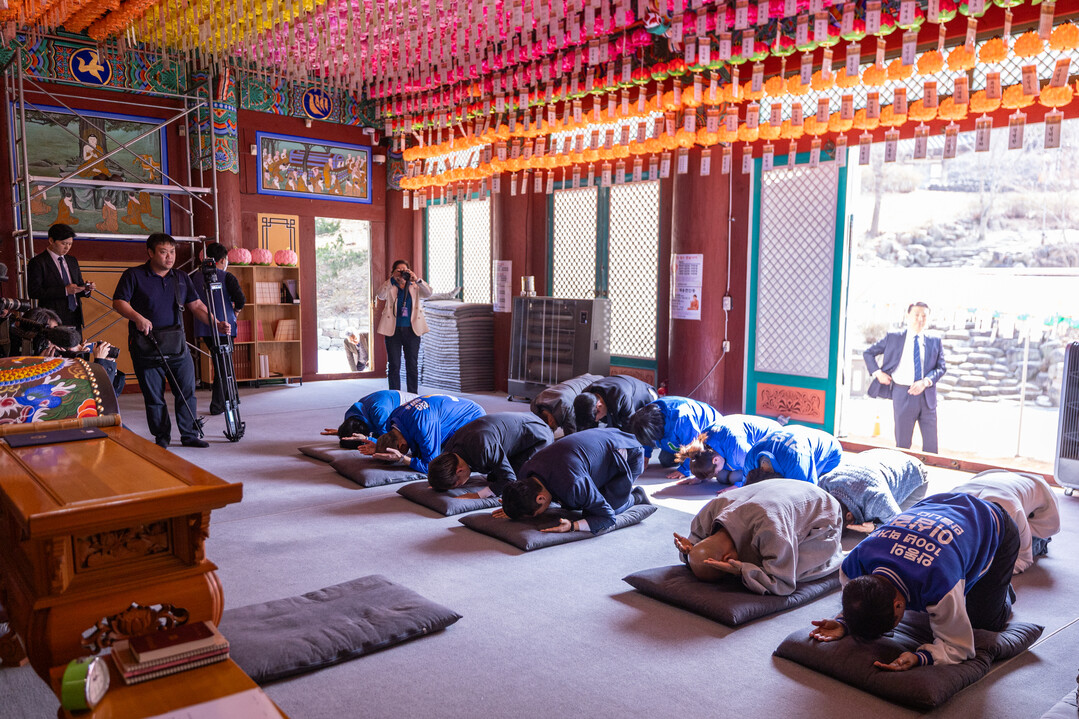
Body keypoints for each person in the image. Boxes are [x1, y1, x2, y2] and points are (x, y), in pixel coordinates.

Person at [810, 492, 1020, 671]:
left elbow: (961, 648)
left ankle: (1000, 586)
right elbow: (858, 601)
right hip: (937, 505)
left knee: (985, 622)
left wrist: (923, 657)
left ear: (899, 605)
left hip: (993, 522)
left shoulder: (940, 583)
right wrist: (845, 622)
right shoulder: (853, 564)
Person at [113, 233, 230, 449]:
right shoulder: (134, 275)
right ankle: (162, 437)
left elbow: (197, 306)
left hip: (177, 345)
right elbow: (119, 302)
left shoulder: (181, 277)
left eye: (173, 252)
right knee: (154, 396)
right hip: (145, 346)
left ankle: (189, 434)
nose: (170, 257)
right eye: (164, 252)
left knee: (187, 392)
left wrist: (216, 323)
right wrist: (137, 317)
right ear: (150, 253)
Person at [673, 479, 844, 596]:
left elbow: (782, 583)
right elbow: (697, 543)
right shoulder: (710, 511)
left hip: (825, 513)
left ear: (729, 558)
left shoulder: (771, 530)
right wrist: (691, 550)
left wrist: (742, 570)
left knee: (795, 570)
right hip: (784, 487)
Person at [498, 427, 650, 535]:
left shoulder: (572, 485)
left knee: (592, 513)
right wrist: (511, 506)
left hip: (629, 453)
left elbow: (607, 517)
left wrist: (573, 526)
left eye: (535, 514)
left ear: (541, 498)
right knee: (578, 500)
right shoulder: (526, 471)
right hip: (603, 440)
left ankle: (636, 497)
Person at [863, 302, 947, 454]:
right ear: (908, 316)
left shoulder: (935, 340)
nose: (920, 319)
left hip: (927, 396)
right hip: (902, 394)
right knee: (902, 444)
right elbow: (868, 353)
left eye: (924, 316)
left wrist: (925, 382)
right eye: (916, 315)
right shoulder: (894, 338)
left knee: (931, 446)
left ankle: (930, 474)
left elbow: (941, 367)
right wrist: (878, 373)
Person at [952, 469, 1061, 574]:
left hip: (1040, 507)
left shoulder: (1010, 513)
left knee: (1008, 553)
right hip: (989, 479)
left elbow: (1024, 560)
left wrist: (982, 573)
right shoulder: (944, 501)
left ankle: (1042, 541)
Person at [427, 413, 554, 497]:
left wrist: (478, 495)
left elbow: (509, 479)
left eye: (458, 484)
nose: (461, 485)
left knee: (517, 484)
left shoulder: (483, 447)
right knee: (493, 477)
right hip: (514, 430)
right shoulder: (450, 450)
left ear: (459, 470)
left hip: (537, 436)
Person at [360, 394, 485, 474]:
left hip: (472, 417)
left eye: (402, 451)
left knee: (447, 463)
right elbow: (390, 438)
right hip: (446, 411)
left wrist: (403, 459)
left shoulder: (422, 427)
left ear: (402, 447)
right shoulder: (392, 418)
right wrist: (378, 445)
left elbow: (431, 465)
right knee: (421, 452)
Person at [191, 243, 245, 416]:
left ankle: (227, 399)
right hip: (224, 327)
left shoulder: (195, 277)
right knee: (224, 366)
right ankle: (218, 404)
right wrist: (235, 313)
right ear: (223, 260)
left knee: (219, 363)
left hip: (204, 327)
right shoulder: (226, 276)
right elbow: (241, 299)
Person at [21, 307, 125, 396]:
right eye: (53, 335)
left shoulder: (64, 357)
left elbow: (112, 396)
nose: (58, 339)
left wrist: (106, 360)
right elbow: (95, 397)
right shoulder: (26, 367)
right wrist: (100, 362)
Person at [817, 449, 929, 528]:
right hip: (874, 457)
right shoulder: (823, 485)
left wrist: (875, 528)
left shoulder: (876, 499)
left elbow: (900, 525)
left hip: (915, 475)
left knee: (888, 535)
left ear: (849, 515)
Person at [626, 396, 722, 479]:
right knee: (666, 460)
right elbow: (645, 435)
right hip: (678, 433)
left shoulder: (683, 419)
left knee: (701, 465)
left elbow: (694, 445)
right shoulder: (647, 413)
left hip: (707, 437)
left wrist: (684, 470)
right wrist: (645, 455)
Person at [674, 414, 783, 486]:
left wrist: (739, 486)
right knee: (722, 477)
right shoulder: (702, 444)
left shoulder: (738, 450)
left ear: (715, 460)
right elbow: (698, 458)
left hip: (774, 442)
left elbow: (754, 467)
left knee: (734, 478)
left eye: (715, 471)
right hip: (732, 445)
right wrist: (699, 476)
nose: (716, 474)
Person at [27, 223, 95, 334]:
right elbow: (34, 292)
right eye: (64, 243)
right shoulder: (38, 262)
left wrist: (86, 289)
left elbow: (78, 286)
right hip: (52, 318)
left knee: (77, 349)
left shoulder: (72, 260)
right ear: (51, 241)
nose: (67, 247)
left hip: (75, 316)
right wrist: (65, 291)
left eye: (70, 244)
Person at [375, 259, 432, 394]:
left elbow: (428, 293)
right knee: (394, 364)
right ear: (393, 272)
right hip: (393, 330)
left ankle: (412, 395)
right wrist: (391, 279)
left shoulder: (415, 285)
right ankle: (395, 395)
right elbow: (380, 295)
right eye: (398, 271)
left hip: (412, 330)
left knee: (412, 364)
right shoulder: (390, 285)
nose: (401, 274)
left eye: (404, 270)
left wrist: (417, 279)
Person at [742, 425, 843, 486]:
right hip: (796, 434)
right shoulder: (750, 461)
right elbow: (744, 491)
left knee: (822, 488)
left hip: (831, 452)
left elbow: (810, 495)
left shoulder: (797, 467)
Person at [321, 390, 417, 448]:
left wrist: (367, 439)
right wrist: (343, 432)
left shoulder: (380, 413)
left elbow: (390, 440)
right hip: (390, 406)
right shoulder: (353, 414)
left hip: (413, 408)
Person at [573, 375, 659, 433]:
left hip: (646, 397)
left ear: (599, 406)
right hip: (618, 394)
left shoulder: (621, 396)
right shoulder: (586, 395)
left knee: (639, 429)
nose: (596, 421)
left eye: (595, 419)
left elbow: (628, 428)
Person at [529, 373, 603, 435]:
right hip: (583, 378)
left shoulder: (566, 409)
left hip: (597, 383)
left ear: (550, 421)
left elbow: (571, 437)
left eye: (553, 429)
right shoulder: (535, 402)